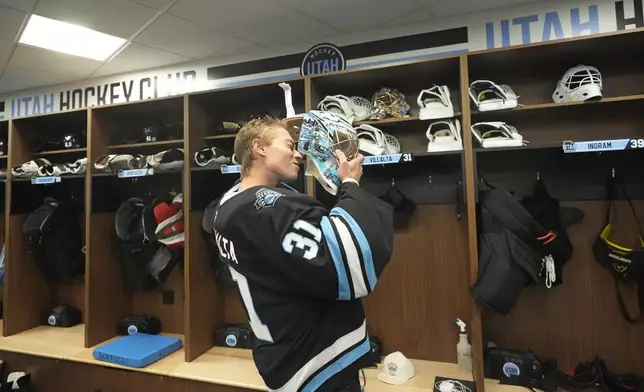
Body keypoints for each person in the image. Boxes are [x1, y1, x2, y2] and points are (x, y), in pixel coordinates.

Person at [212, 114, 394, 392]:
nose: (298, 154)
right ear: (259, 148)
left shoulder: (229, 204)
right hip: (312, 363)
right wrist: (351, 186)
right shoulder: (264, 207)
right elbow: (348, 265)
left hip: (281, 349)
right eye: (289, 145)